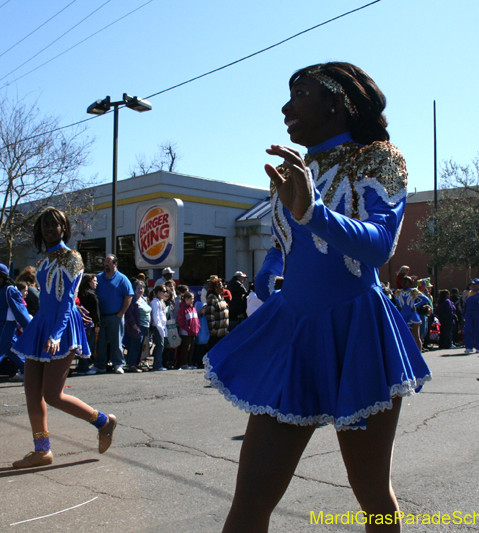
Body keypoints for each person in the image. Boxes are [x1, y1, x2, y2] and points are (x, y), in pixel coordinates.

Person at [205, 62, 430, 532]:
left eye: (300, 93)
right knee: (248, 504)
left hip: (358, 335)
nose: (287, 107)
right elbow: (281, 248)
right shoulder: (293, 172)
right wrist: (267, 280)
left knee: (374, 498)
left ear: (337, 101)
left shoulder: (379, 157)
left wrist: (313, 211)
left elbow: (379, 245)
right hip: (296, 337)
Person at [9, 207, 116, 469]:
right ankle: (42, 450)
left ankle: (103, 422)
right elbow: (45, 301)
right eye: (44, 224)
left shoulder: (72, 258)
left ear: (64, 228)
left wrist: (56, 334)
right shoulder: (43, 262)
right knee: (32, 391)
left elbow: (68, 301)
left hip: (63, 327)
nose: (49, 228)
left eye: (54, 224)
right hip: (42, 325)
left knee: (53, 394)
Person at [92, 254, 134, 374]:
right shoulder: (98, 278)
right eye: (105, 261)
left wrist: (121, 313)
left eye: (108, 262)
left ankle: (118, 364)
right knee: (100, 342)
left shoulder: (122, 279)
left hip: (115, 316)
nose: (106, 264)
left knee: (116, 342)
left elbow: (129, 296)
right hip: (101, 317)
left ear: (115, 264)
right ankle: (100, 365)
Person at [123, 280, 150, 373]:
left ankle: (136, 364)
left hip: (145, 326)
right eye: (138, 288)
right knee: (134, 346)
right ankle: (131, 365)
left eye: (142, 288)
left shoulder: (144, 299)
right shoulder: (132, 299)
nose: (140, 290)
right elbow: (129, 314)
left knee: (140, 347)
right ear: (134, 289)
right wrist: (134, 326)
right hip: (136, 326)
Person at [77, 274, 102, 374]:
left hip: (81, 323)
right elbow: (95, 312)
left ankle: (82, 365)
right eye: (94, 281)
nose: (96, 283)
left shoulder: (80, 294)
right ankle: (84, 367)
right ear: (88, 282)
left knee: (82, 345)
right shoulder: (91, 295)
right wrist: (97, 325)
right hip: (90, 324)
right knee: (88, 345)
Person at [463, 278, 479, 354]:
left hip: (478, 314)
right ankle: (469, 347)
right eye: (472, 284)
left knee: (478, 331)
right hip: (469, 314)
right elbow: (466, 305)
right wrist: (464, 313)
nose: (473, 286)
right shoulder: (469, 293)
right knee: (467, 329)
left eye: (475, 284)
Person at [203, 277, 229, 352]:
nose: (223, 287)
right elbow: (210, 314)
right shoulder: (212, 297)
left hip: (223, 331)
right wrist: (213, 329)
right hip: (216, 332)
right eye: (221, 285)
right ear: (216, 287)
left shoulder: (220, 296)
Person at [177, 291, 200, 369]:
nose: (193, 300)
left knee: (191, 349)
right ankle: (184, 363)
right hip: (185, 333)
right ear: (186, 299)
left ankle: (189, 363)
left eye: (193, 298)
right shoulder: (182, 309)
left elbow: (196, 320)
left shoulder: (193, 308)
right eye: (191, 299)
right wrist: (188, 329)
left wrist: (197, 327)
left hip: (193, 332)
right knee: (185, 349)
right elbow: (181, 322)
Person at [149, 285, 169, 371]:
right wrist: (160, 328)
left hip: (162, 326)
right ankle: (157, 364)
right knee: (159, 345)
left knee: (161, 345)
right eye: (163, 291)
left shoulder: (162, 302)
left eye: (165, 291)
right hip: (157, 326)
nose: (165, 293)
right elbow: (156, 316)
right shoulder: (155, 302)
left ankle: (158, 363)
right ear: (158, 292)